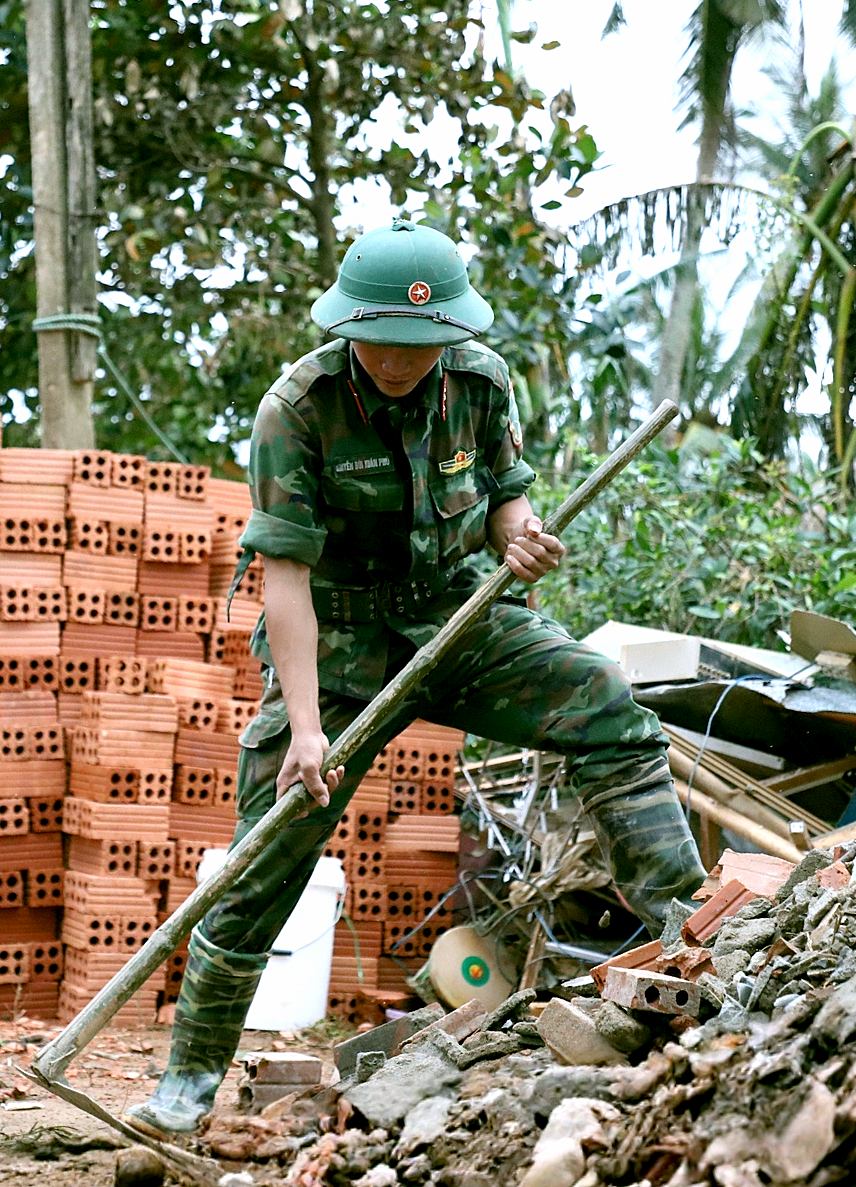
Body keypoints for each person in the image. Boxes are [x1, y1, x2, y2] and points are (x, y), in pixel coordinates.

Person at [125, 219, 705, 1136]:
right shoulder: (297, 410)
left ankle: (692, 932)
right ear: (351, 326)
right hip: (341, 651)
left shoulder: (479, 381)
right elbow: (286, 582)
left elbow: (505, 492)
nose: (401, 359)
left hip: (459, 619)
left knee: (604, 698)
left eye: (422, 344)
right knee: (267, 852)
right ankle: (187, 1082)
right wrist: (308, 728)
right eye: (385, 341)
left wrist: (518, 533)